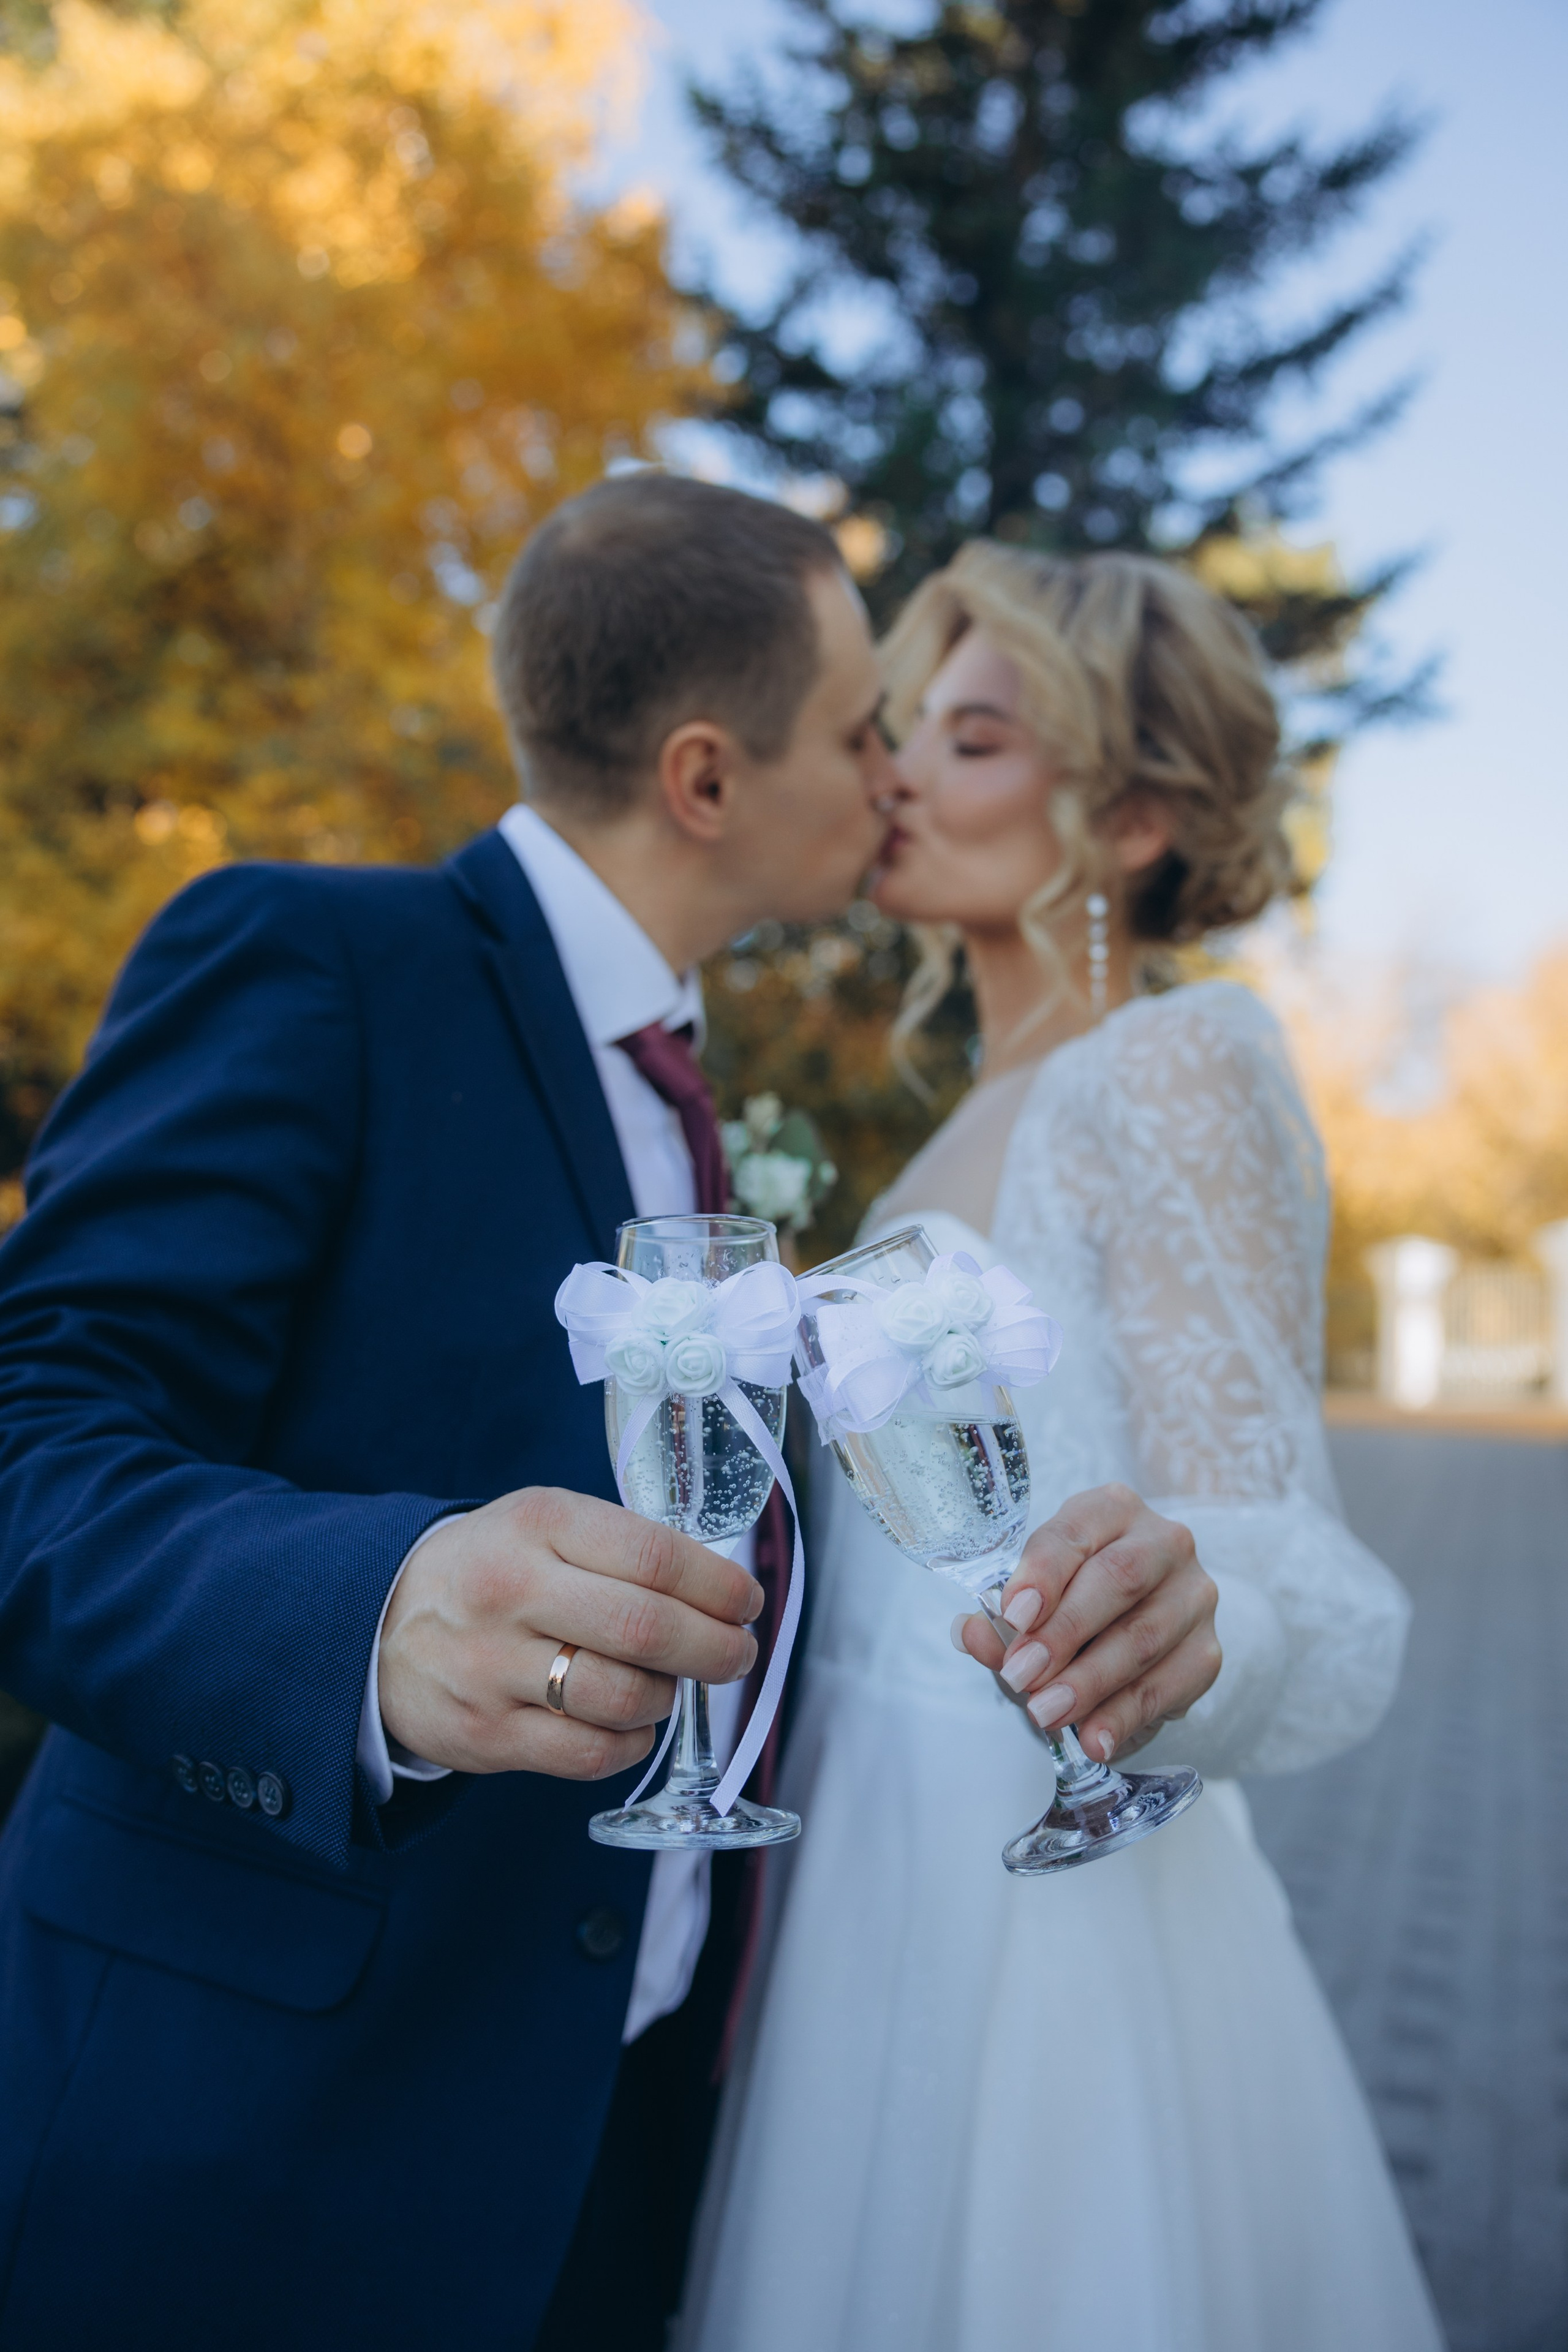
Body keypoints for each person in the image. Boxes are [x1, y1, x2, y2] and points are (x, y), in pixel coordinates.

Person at [0, 478, 1217, 2351]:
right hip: (266, 2146)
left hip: (625, 2150)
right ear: (709, 780)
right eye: (861, 727)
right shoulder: (318, 962)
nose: (891, 770)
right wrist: (377, 1613)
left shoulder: (691, 1087)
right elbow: (34, 1430)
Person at [677, 544, 1446, 2352]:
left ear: (1132, 820)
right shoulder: (982, 1109)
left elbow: (1293, 1576)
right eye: (905, 733)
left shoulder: (1171, 1070)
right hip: (862, 1851)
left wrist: (1186, 1637)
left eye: (976, 740)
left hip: (1040, 1899)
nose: (904, 777)